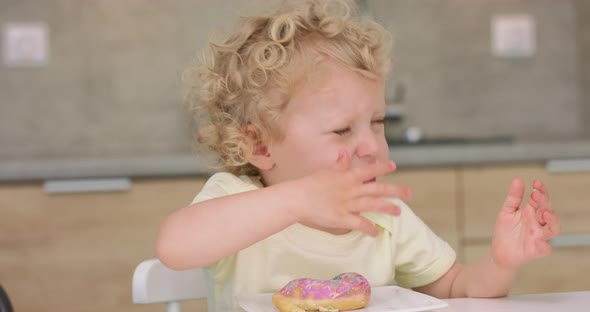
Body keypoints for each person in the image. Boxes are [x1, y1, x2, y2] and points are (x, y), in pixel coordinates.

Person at [156, 0, 561, 311]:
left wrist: (501, 261)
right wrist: (298, 200)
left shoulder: (380, 213)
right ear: (261, 145)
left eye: (378, 122)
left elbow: (458, 290)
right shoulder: (236, 200)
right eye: (342, 130)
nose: (371, 145)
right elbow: (175, 246)